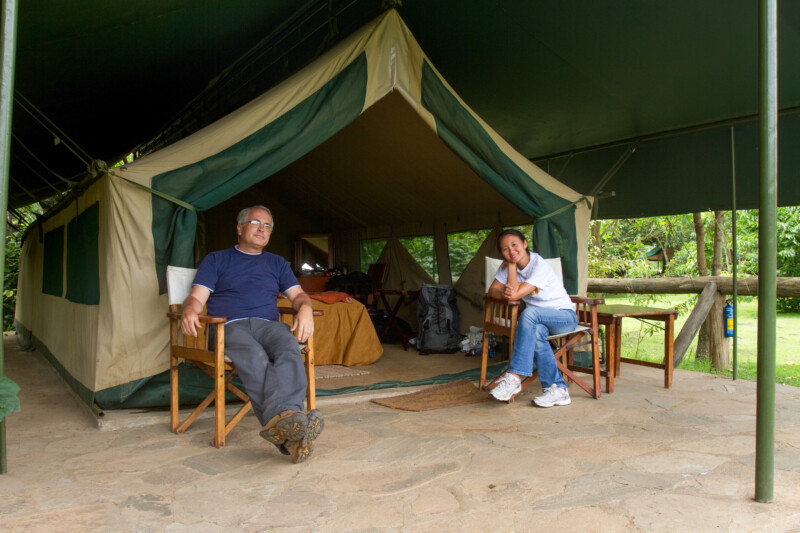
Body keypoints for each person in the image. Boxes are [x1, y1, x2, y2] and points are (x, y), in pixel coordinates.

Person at [180, 205, 323, 463]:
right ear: (240, 227)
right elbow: (196, 298)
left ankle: (289, 429)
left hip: (268, 326)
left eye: (267, 226)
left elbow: (299, 296)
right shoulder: (216, 259)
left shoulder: (277, 263)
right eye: (256, 223)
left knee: (289, 348)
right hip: (228, 327)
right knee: (255, 356)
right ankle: (289, 424)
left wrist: (304, 309)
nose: (262, 229)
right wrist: (190, 311)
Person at [487, 229, 577, 407]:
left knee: (528, 313)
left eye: (515, 245)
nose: (511, 251)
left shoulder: (538, 265)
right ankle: (558, 389)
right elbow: (492, 291)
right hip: (537, 321)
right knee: (534, 334)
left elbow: (514, 296)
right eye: (505, 249)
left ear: (525, 244)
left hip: (564, 316)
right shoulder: (507, 265)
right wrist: (512, 268)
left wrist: (511, 270)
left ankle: (514, 376)